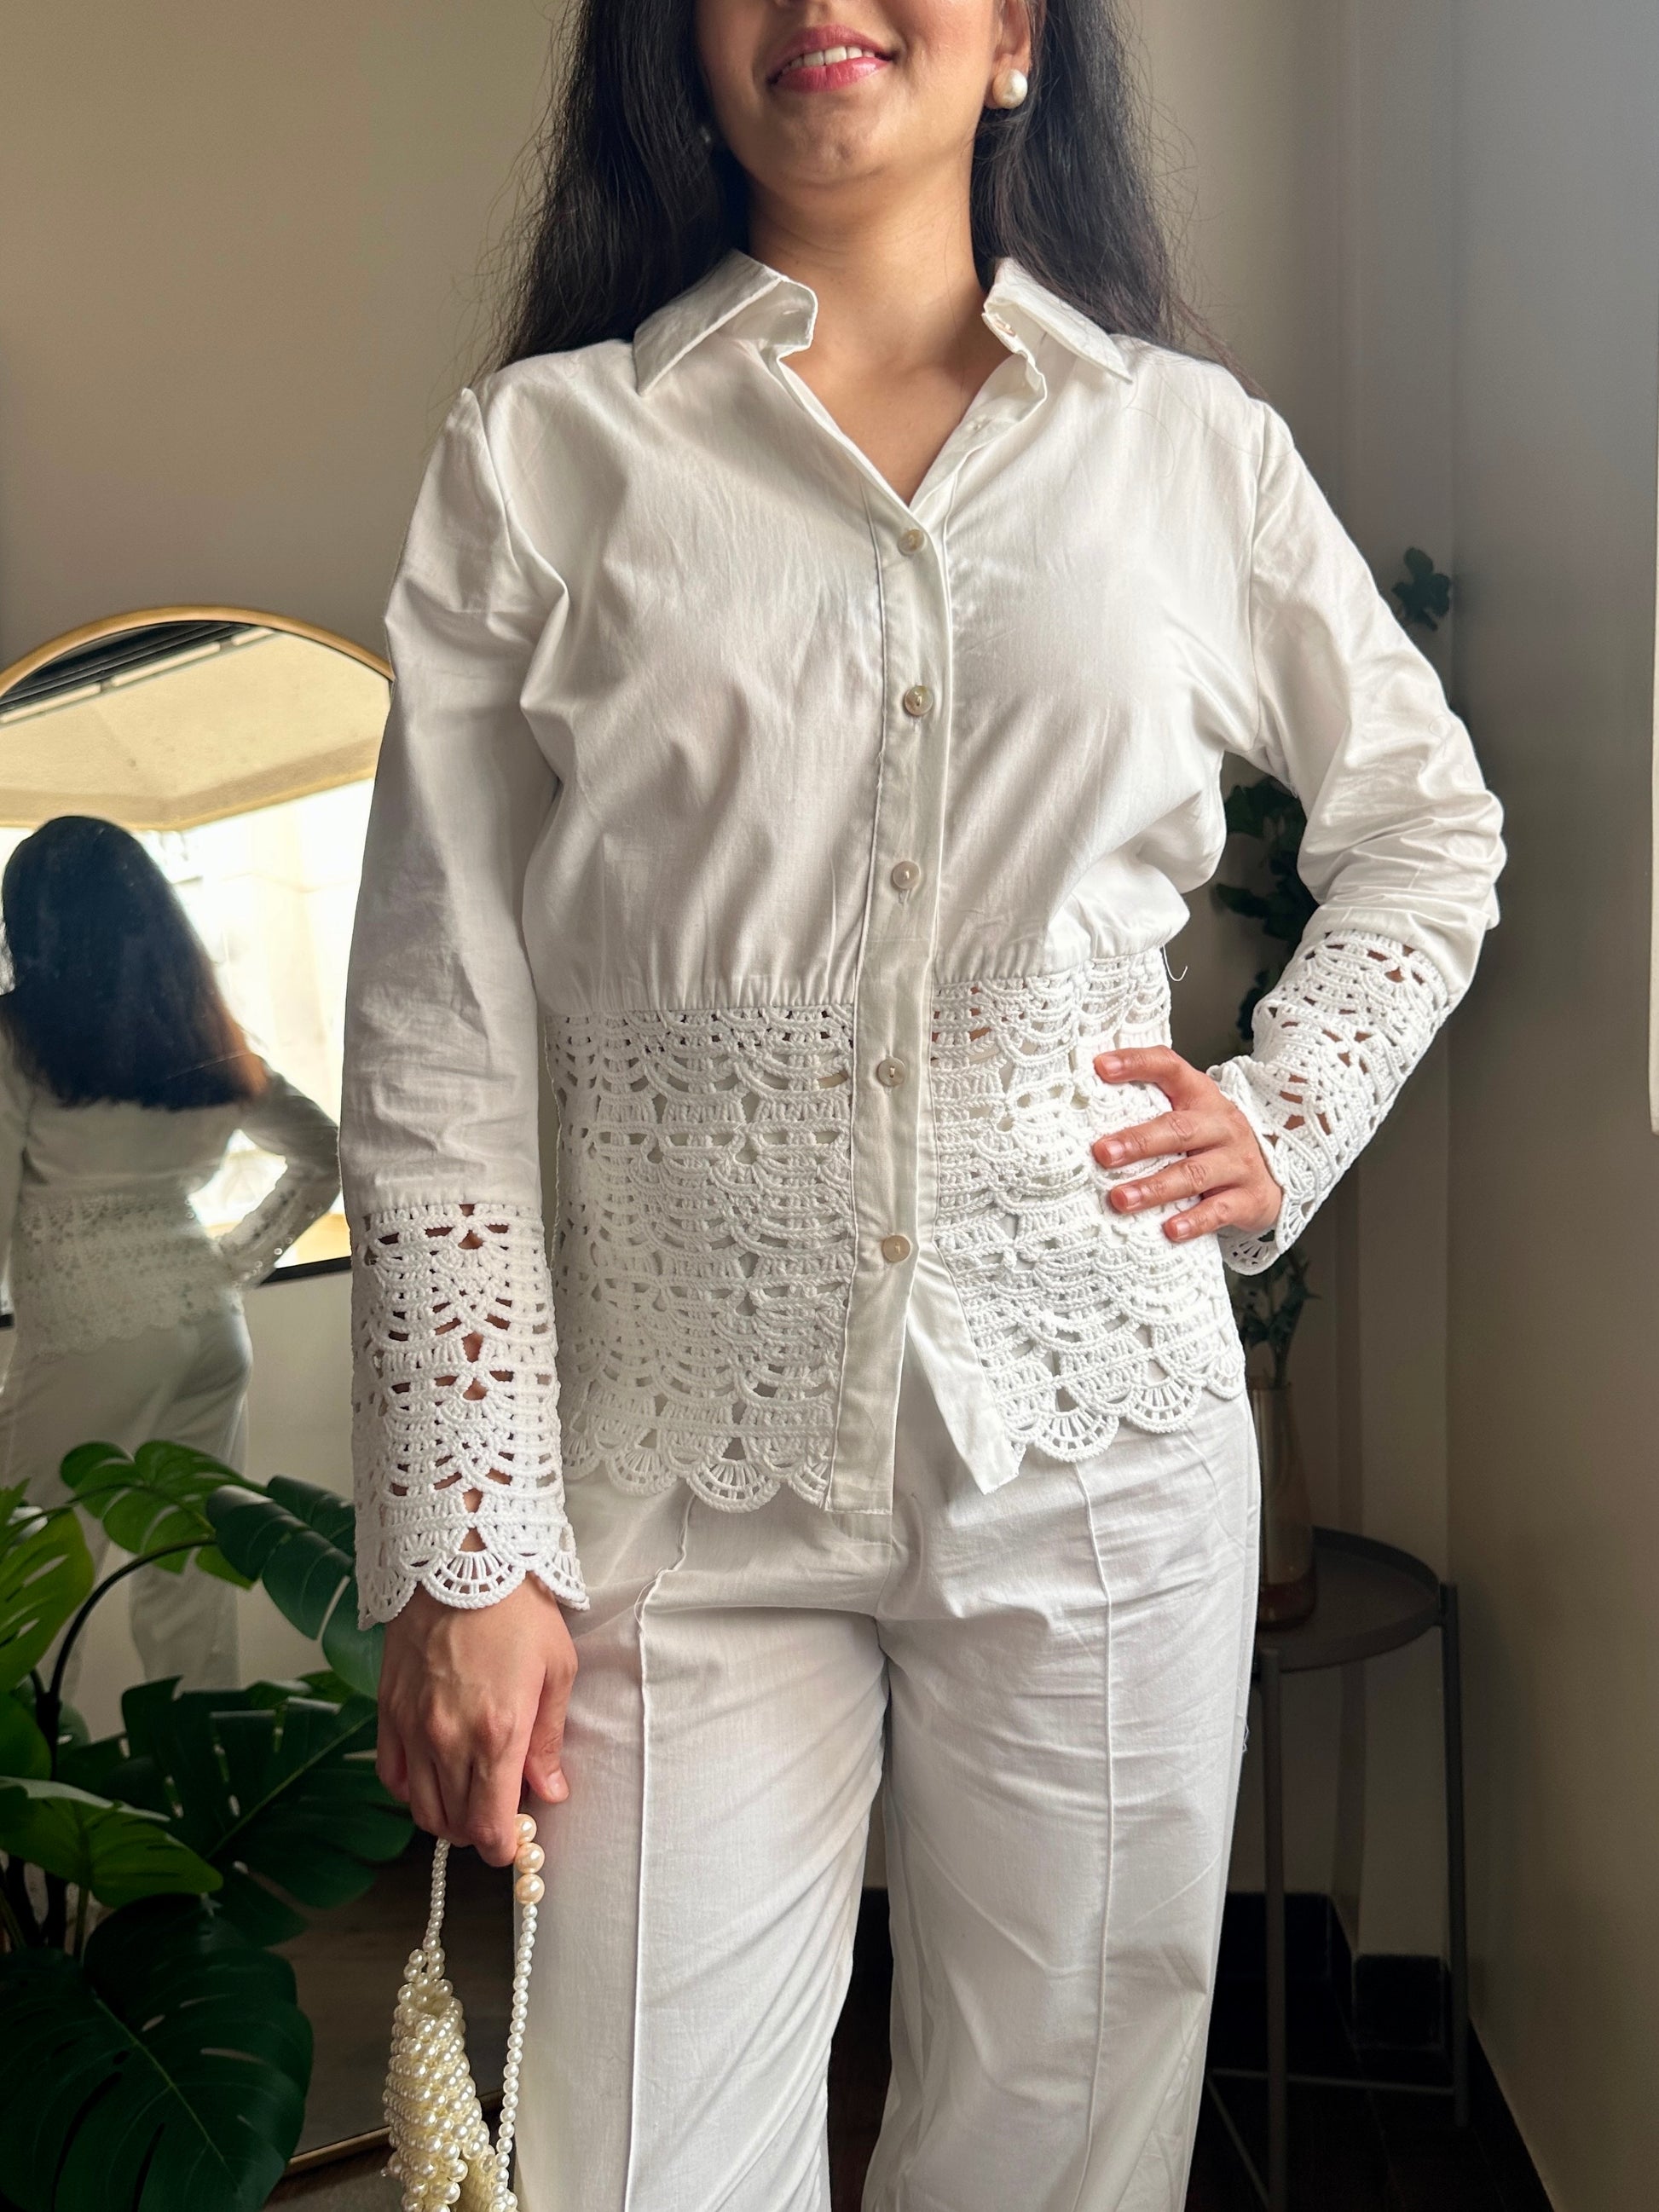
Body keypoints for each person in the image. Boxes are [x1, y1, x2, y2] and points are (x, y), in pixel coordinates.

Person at [341, 3, 1506, 2205]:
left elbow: (1426, 830)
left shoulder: (1186, 451)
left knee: (1064, 2135)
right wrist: (470, 1537)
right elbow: (437, 1034)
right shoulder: (544, 456)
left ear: (1017, 40)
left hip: (1099, 1440)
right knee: (634, 2164)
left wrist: (1290, 1108)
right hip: (671, 1466)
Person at [0, 814, 339, 1692]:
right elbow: (324, 1153)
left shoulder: (17, 1037)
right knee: (190, 1584)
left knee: (24, 1593)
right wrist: (231, 1265)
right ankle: (203, 1772)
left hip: (89, 1340)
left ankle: (36, 1779)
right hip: (210, 1329)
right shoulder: (202, 1033)